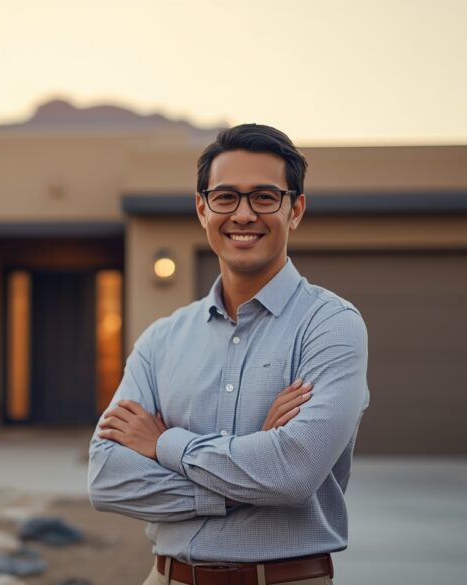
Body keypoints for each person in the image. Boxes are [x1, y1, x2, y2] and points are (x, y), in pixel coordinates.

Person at [88, 124, 370, 585]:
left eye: (264, 197)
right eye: (225, 197)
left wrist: (162, 444)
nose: (243, 214)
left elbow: (293, 473)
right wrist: (240, 486)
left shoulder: (331, 325)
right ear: (202, 208)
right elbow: (106, 477)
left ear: (295, 209)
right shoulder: (161, 339)